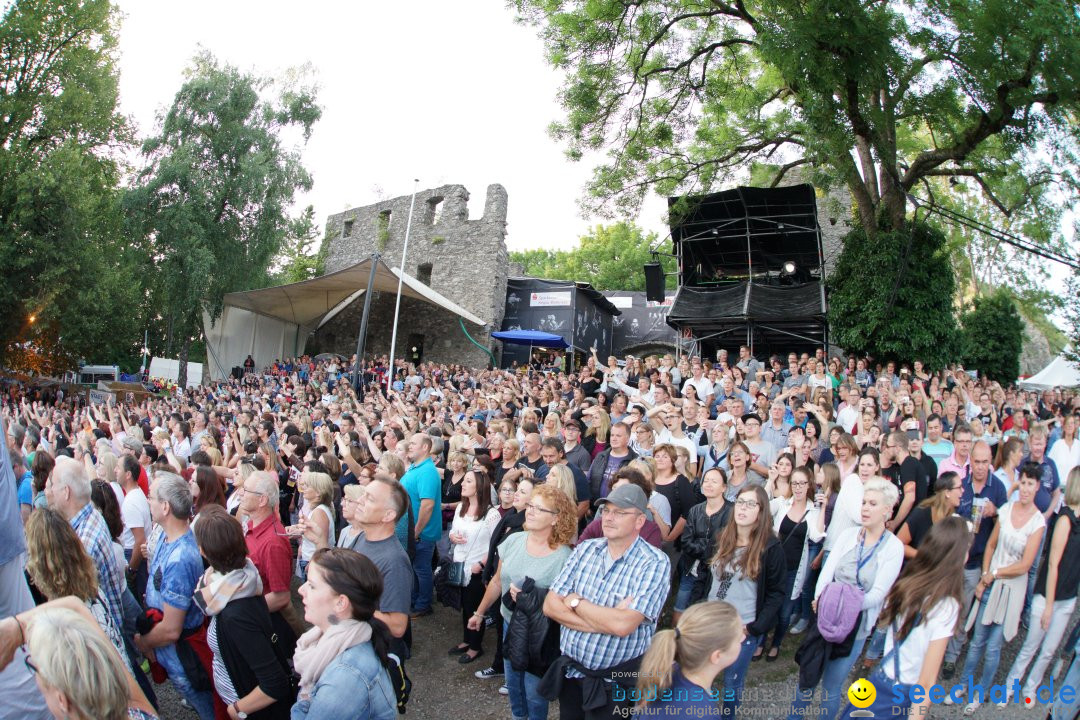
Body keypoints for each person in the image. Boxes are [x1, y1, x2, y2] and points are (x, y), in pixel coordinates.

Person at [539, 483, 671, 720]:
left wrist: (576, 603)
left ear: (640, 521)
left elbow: (623, 626)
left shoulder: (654, 563)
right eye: (606, 511)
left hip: (616, 684)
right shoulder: (585, 550)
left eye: (619, 513)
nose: (608, 518)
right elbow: (550, 605)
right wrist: (606, 619)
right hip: (572, 674)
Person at [788, 478, 903, 720]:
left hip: (856, 626)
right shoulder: (848, 535)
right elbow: (827, 572)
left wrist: (839, 602)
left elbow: (878, 594)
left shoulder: (893, 548)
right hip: (826, 617)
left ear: (887, 510)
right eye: (863, 502)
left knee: (831, 688)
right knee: (806, 681)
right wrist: (822, 597)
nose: (865, 508)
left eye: (872, 503)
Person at [838, 517, 969, 719]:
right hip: (901, 693)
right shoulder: (945, 606)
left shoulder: (908, 583)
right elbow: (926, 683)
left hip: (881, 681)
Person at [468, 485, 576, 720]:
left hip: (541, 634)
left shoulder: (565, 558)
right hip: (510, 625)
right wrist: (479, 613)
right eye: (530, 506)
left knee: (534, 694)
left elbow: (567, 604)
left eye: (539, 508)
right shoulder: (514, 540)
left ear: (556, 518)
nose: (531, 511)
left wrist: (535, 598)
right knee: (514, 688)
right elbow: (497, 581)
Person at [945, 464, 1046, 713]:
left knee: (993, 646)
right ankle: (963, 685)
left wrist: (994, 574)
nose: (1025, 489)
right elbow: (990, 545)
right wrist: (985, 577)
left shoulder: (1038, 522)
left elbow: (1025, 565)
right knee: (977, 639)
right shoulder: (1007, 509)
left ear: (1037, 487)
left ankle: (981, 692)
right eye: (1022, 482)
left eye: (1030, 484)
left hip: (1011, 588)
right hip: (991, 581)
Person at [688, 484, 785, 715]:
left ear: (761, 512)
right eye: (740, 502)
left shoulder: (771, 547)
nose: (743, 508)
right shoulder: (721, 536)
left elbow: (776, 593)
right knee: (700, 678)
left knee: (732, 684)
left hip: (742, 629)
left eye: (751, 504)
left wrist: (755, 628)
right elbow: (704, 574)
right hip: (710, 623)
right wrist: (696, 608)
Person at [192, 505, 292, 720]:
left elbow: (274, 682)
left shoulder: (235, 613)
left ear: (202, 551)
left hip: (249, 705)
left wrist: (236, 710)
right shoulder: (243, 576)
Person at [134, 472, 215, 720]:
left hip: (183, 659)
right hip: (176, 656)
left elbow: (171, 629)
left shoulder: (180, 559)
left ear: (166, 506)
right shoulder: (168, 539)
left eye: (151, 498)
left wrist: (144, 643)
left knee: (209, 711)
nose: (148, 502)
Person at [0, 600, 158, 720]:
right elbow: (76, 606)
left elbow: (75, 606)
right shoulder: (139, 712)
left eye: (35, 667)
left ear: (62, 699)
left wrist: (17, 627)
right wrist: (18, 627)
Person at [1002, 467, 1080, 704]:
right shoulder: (1066, 518)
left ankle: (1030, 688)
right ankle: (1010, 686)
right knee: (1030, 646)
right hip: (1048, 594)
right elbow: (1054, 563)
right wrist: (1048, 605)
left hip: (1068, 597)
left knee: (1048, 650)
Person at [291, 548, 397, 720]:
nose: (300, 590)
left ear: (341, 603)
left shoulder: (345, 678)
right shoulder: (334, 637)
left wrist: (304, 698)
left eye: (311, 585)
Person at [44, 455, 126, 636]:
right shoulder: (91, 514)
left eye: (53, 486)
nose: (48, 491)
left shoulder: (83, 543)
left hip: (105, 635)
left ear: (66, 492)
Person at [634, 601, 745, 716]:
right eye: (738, 638)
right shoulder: (703, 713)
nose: (744, 637)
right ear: (717, 656)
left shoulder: (664, 673)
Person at [342, 475, 413, 651]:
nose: (359, 501)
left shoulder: (394, 560)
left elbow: (397, 626)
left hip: (374, 653)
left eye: (369, 498)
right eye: (363, 494)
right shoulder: (361, 537)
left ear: (388, 515)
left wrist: (349, 607)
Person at [761, 465, 825, 661]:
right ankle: (761, 642)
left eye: (802, 483)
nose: (798, 487)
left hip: (794, 570)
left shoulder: (812, 511)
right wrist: (770, 481)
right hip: (772, 566)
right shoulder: (782, 503)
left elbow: (816, 535)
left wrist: (822, 507)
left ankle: (776, 644)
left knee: (784, 612)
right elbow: (761, 505)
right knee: (766, 605)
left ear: (809, 485)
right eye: (794, 483)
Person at [449, 466, 502, 663]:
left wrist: (481, 564)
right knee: (464, 604)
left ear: (479, 486)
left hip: (476, 568)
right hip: (459, 565)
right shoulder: (461, 508)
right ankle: (466, 639)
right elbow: (453, 531)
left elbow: (497, 543)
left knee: (474, 606)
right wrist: (453, 537)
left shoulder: (491, 514)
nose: (463, 484)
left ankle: (475, 646)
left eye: (468, 481)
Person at [674, 468, 732, 622]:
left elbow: (726, 545)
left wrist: (702, 546)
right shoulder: (695, 510)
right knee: (680, 609)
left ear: (724, 487)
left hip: (716, 573)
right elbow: (686, 542)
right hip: (691, 568)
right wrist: (708, 547)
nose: (708, 484)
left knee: (705, 615)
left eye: (714, 481)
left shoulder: (731, 512)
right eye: (706, 480)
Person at [401, 433, 442, 619]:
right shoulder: (415, 467)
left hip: (421, 533)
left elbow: (428, 505)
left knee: (421, 569)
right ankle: (415, 600)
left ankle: (423, 605)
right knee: (415, 569)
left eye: (413, 444)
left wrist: (415, 532)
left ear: (425, 447)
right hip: (413, 530)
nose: (409, 446)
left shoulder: (427, 471)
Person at [897, 473, 963, 558]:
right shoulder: (922, 513)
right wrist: (925, 557)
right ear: (947, 493)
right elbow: (899, 544)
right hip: (917, 568)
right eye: (959, 487)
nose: (963, 490)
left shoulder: (954, 516)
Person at [291, 470, 336, 579]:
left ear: (318, 492)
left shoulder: (319, 512)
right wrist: (296, 529)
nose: (304, 488)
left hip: (312, 561)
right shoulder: (318, 509)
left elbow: (322, 544)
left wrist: (312, 563)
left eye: (308, 486)